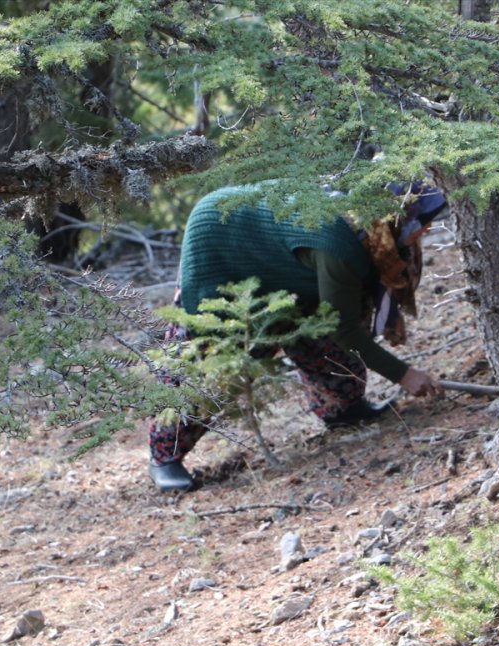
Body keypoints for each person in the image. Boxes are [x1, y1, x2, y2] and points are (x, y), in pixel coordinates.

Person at [147, 181, 447, 491]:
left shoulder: (369, 234)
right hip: (220, 243)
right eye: (420, 223)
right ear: (393, 220)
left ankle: (342, 407)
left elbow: (335, 317)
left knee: (317, 324)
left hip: (283, 261)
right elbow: (343, 329)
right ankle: (164, 455)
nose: (425, 230)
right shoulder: (339, 247)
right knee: (211, 361)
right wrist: (404, 374)